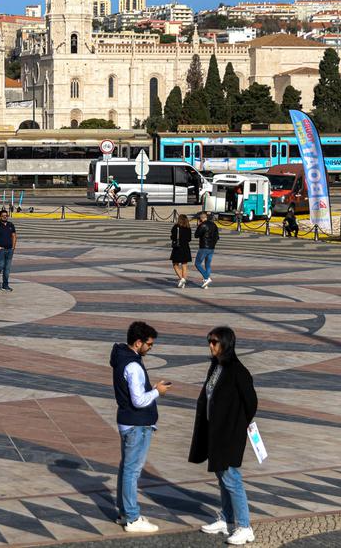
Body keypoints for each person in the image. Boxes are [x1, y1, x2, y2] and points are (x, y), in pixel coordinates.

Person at [190, 327, 258, 546]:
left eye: (215, 342)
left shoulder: (238, 371)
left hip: (229, 434)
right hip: (214, 432)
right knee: (222, 475)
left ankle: (245, 527)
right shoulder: (216, 366)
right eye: (209, 341)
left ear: (226, 344)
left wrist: (237, 425)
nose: (211, 345)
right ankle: (227, 519)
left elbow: (251, 403)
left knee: (231, 477)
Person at [112, 321, 173, 534]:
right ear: (138, 343)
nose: (150, 348)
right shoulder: (134, 366)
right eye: (149, 344)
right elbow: (138, 400)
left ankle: (124, 512)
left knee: (126, 468)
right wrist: (158, 391)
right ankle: (131, 517)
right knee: (132, 470)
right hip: (136, 424)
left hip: (126, 421)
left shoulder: (121, 357)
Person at [0, 210, 17, 291]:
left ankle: (5, 285)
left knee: (7, 268)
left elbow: (14, 236)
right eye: (3, 215)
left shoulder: (11, 225)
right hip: (1, 250)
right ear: (0, 216)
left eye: (6, 215)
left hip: (9, 250)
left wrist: (13, 247)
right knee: (1, 265)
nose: (5, 216)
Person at [194, 211, 219, 288]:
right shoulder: (214, 225)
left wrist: (198, 225)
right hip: (211, 247)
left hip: (204, 247)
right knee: (207, 264)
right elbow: (217, 237)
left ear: (201, 219)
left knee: (197, 263)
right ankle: (206, 283)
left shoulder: (202, 225)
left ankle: (206, 278)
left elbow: (196, 235)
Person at [170, 214, 193, 288]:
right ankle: (183, 280)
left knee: (175, 264)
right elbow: (189, 239)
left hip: (177, 248)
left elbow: (173, 237)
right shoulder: (188, 228)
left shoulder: (176, 227)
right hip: (185, 247)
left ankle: (182, 278)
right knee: (184, 265)